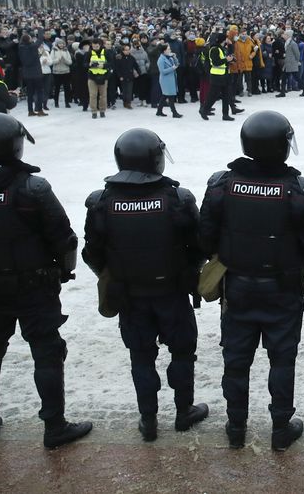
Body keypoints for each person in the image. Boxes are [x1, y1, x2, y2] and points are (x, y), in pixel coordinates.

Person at [0, 114, 91, 449]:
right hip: (34, 285)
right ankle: (54, 426)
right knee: (47, 353)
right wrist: (64, 270)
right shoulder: (31, 187)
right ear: (14, 145)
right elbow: (64, 238)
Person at [198, 111, 304, 451]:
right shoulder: (298, 188)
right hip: (282, 288)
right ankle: (281, 428)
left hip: (237, 286)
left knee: (236, 360)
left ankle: (235, 425)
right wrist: (303, 276)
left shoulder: (222, 183)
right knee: (282, 359)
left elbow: (205, 236)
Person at [82, 129, 207, 442]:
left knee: (140, 355)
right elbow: (200, 245)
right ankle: (183, 411)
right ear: (156, 159)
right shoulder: (178, 199)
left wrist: (113, 275)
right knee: (182, 353)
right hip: (172, 293)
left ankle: (148, 419)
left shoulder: (102, 201)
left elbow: (92, 252)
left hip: (130, 295)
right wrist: (188, 271)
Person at [199, 37, 236, 121]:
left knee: (226, 95)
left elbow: (229, 54)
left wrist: (230, 57)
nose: (227, 40)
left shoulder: (222, 48)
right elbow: (216, 62)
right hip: (216, 76)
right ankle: (204, 110)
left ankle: (225, 115)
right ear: (222, 41)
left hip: (224, 75)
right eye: (226, 39)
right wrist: (226, 60)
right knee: (212, 95)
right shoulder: (214, 49)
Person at [156, 44, 182, 118]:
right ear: (164, 51)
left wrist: (174, 57)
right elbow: (162, 71)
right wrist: (172, 68)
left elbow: (177, 64)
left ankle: (159, 111)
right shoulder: (161, 60)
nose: (170, 50)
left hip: (171, 79)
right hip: (166, 80)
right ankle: (174, 112)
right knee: (170, 96)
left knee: (165, 95)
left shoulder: (169, 57)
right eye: (168, 49)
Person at [86, 39, 110, 119]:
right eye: (93, 46)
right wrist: (89, 64)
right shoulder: (89, 53)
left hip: (103, 76)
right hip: (92, 77)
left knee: (103, 95)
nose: (95, 47)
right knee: (93, 95)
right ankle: (94, 111)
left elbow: (111, 63)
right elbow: (84, 64)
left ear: (100, 45)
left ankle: (102, 110)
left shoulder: (106, 52)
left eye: (96, 46)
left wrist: (103, 66)